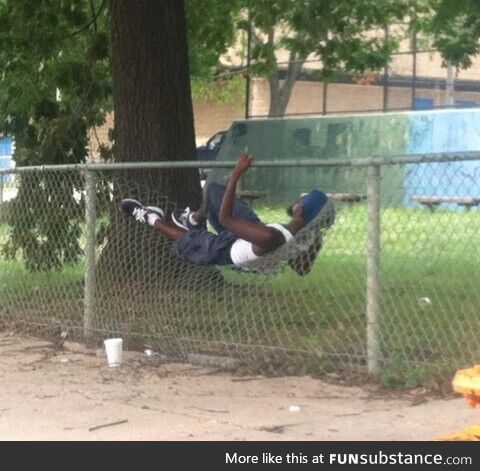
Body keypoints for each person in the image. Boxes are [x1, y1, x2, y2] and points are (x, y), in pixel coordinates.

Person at [120, 155, 333, 274]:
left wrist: (236, 175)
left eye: (301, 200)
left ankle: (150, 217)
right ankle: (194, 219)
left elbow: (225, 220)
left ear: (301, 209)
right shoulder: (299, 234)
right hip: (253, 233)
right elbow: (301, 270)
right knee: (213, 192)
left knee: (189, 241)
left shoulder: (273, 236)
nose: (296, 201)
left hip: (230, 251)